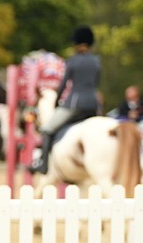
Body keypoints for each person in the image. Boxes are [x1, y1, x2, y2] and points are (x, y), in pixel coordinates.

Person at [31, 25, 103, 174]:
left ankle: (43, 164)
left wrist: (57, 102)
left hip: (75, 104)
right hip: (93, 105)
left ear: (77, 43)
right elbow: (96, 83)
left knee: (47, 129)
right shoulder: (97, 61)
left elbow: (64, 85)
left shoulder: (73, 60)